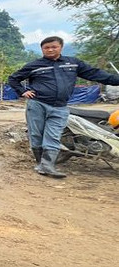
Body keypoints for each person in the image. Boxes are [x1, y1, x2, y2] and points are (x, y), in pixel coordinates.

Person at [8, 35, 119, 177]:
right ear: (42, 49)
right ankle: (40, 163)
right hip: (37, 104)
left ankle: (47, 166)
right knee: (36, 134)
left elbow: (96, 74)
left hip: (60, 107)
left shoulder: (72, 64)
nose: (50, 50)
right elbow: (13, 78)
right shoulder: (34, 65)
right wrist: (23, 91)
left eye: (54, 47)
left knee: (53, 135)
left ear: (61, 47)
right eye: (46, 48)